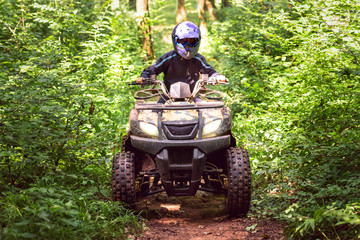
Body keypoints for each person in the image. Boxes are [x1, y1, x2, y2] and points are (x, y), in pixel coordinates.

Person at [137, 21, 226, 103]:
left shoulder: (198, 59)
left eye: (191, 41)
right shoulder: (168, 58)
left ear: (198, 41)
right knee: (154, 112)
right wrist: (144, 77)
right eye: (183, 41)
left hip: (192, 95)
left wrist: (217, 76)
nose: (187, 45)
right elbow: (154, 68)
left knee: (204, 112)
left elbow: (209, 70)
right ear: (175, 40)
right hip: (168, 95)